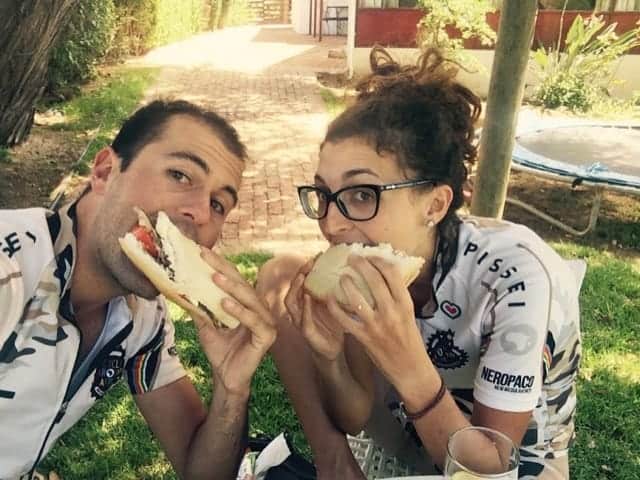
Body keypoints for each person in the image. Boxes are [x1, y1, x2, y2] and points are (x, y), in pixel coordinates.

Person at [256, 48, 581, 480]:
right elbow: (355, 415)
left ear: (435, 205)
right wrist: (329, 357)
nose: (331, 224)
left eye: (362, 194)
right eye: (324, 194)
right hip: (406, 442)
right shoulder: (370, 272)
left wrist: (407, 362)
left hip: (515, 463)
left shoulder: (515, 278)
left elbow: (489, 469)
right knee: (280, 274)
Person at [0, 100, 277, 479]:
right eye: (180, 175)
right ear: (105, 172)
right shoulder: (11, 272)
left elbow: (203, 473)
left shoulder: (144, 319)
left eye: (218, 204)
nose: (200, 213)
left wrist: (233, 388)